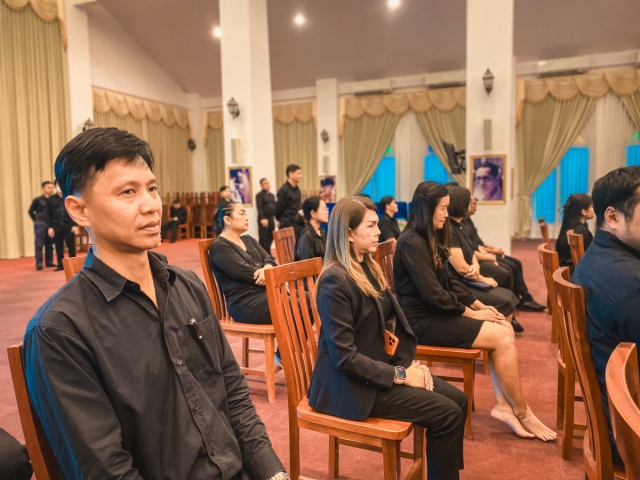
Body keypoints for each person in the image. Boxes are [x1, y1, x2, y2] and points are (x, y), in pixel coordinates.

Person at [23, 128, 287, 480]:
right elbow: (106, 469)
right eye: (128, 192)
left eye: (151, 188)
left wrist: (274, 474)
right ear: (80, 210)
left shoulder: (187, 286)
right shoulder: (59, 331)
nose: (151, 205)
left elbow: (233, 392)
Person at [307, 196, 467, 480]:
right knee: (448, 413)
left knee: (459, 400)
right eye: (370, 226)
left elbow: (387, 326)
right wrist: (401, 375)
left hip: (376, 369)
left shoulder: (367, 266)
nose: (379, 231)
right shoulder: (335, 281)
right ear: (349, 233)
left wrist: (406, 365)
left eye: (377, 224)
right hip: (350, 386)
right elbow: (345, 358)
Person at [394, 181, 556, 442]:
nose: (446, 214)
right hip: (418, 322)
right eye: (442, 208)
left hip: (433, 313)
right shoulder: (412, 242)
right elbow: (433, 294)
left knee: (503, 326)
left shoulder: (429, 236)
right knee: (500, 336)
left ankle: (503, 406)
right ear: (427, 208)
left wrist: (479, 305)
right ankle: (522, 412)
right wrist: (470, 314)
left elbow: (451, 281)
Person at [573, 166, 640, 463]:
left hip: (615, 411)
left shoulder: (598, 256)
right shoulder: (630, 286)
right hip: (629, 429)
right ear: (612, 217)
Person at [445, 186, 523, 333]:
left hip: (469, 274)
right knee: (505, 296)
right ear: (460, 204)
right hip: (461, 283)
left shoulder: (460, 225)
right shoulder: (449, 229)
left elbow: (471, 251)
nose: (471, 205)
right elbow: (461, 268)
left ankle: (504, 331)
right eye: (469, 202)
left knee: (508, 292)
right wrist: (482, 278)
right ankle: (500, 335)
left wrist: (476, 265)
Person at [464, 195, 546, 312]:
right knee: (507, 270)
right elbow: (471, 249)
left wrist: (493, 249)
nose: (475, 206)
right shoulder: (460, 224)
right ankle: (514, 303)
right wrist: (491, 254)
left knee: (516, 263)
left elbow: (478, 243)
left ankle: (524, 299)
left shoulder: (467, 221)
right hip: (475, 258)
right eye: (473, 203)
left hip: (480, 253)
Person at [209, 201, 277, 325]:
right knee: (301, 304)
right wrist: (270, 274)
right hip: (245, 303)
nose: (247, 218)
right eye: (242, 214)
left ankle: (290, 338)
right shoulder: (219, 246)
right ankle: (290, 338)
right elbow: (247, 273)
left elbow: (269, 258)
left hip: (265, 293)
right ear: (227, 220)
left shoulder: (248, 239)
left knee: (308, 297)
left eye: (246, 214)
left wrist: (266, 268)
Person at [555, 193, 594, 272]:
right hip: (574, 273)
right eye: (592, 207)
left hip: (565, 270)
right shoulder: (582, 232)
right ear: (584, 211)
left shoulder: (569, 226)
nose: (594, 209)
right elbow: (591, 257)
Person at [47, 181, 79, 271]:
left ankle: (73, 265)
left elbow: (75, 212)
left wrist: (75, 225)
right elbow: (48, 214)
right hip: (56, 225)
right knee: (58, 246)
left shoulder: (70, 197)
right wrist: (50, 227)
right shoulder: (50, 199)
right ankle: (60, 265)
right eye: (58, 185)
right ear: (55, 186)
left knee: (71, 246)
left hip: (69, 225)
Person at [28, 181, 56, 270]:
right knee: (39, 244)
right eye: (48, 187)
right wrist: (36, 220)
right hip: (40, 224)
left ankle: (49, 262)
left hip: (51, 224)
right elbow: (30, 211)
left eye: (52, 187)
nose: (51, 189)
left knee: (49, 244)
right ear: (43, 188)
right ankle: (39, 263)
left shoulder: (53, 200)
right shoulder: (38, 200)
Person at [295, 197, 328, 261]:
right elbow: (308, 264)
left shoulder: (322, 231)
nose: (327, 212)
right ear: (313, 213)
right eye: (323, 209)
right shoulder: (306, 236)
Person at [276, 164, 304, 237]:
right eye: (299, 173)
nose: (301, 176)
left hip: (297, 223)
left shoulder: (297, 189)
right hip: (288, 224)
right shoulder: (283, 190)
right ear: (291, 174)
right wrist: (278, 220)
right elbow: (279, 209)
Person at [256, 178, 277, 253]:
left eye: (268, 183)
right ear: (261, 185)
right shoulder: (259, 195)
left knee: (271, 236)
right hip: (264, 218)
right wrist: (262, 218)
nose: (267, 185)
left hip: (271, 218)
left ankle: (268, 252)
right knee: (263, 237)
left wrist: (277, 218)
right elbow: (259, 207)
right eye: (265, 183)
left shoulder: (272, 195)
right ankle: (262, 254)